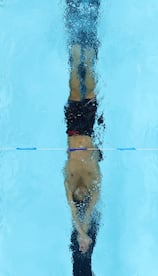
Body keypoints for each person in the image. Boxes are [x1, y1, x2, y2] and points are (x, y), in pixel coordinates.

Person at [64, 0, 102, 275]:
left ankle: (78, 55)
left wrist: (80, 233)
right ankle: (87, 56)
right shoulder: (93, 181)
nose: (77, 194)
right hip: (88, 130)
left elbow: (72, 207)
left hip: (72, 132)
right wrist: (84, 230)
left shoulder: (69, 181)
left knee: (73, 89)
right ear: (84, 197)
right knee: (87, 84)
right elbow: (86, 211)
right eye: (80, 197)